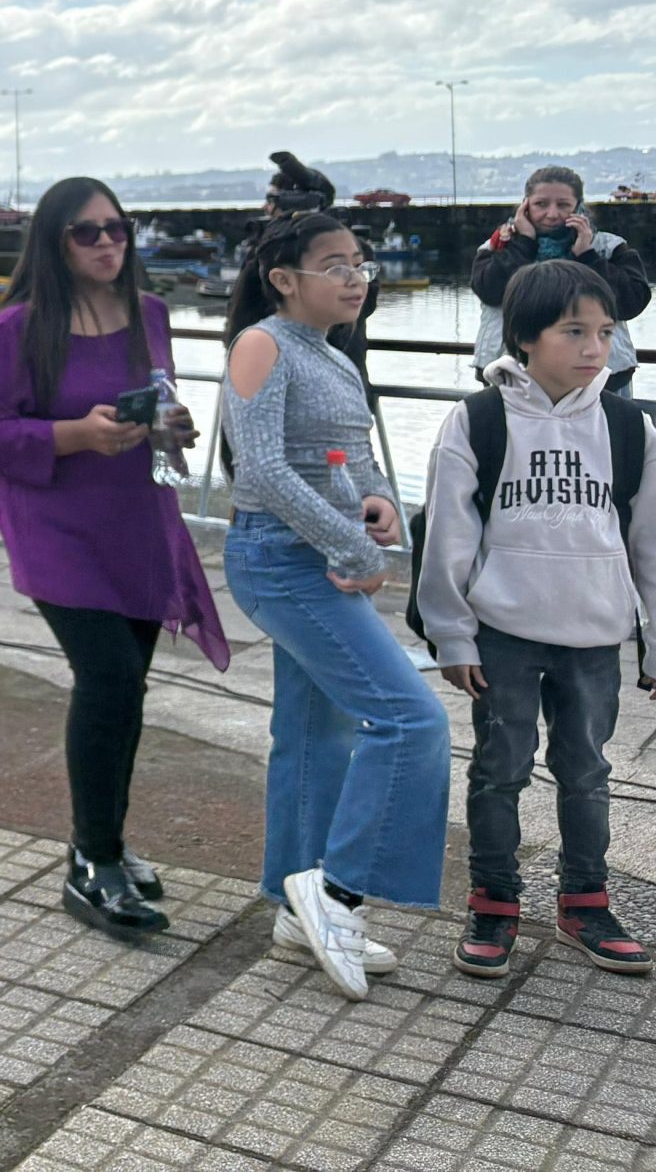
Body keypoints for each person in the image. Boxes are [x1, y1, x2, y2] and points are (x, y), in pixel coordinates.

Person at [0, 178, 226, 940]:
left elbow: (157, 396)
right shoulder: (18, 329)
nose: (109, 242)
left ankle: (104, 841)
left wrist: (169, 425)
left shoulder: (150, 312)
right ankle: (92, 861)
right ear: (56, 242)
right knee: (108, 678)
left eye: (118, 228)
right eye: (89, 232)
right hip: (57, 530)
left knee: (126, 688)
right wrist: (76, 434)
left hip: (137, 522)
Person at [220, 211, 449, 1002]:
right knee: (412, 720)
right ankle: (339, 890)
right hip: (281, 562)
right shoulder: (263, 344)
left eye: (361, 263)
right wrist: (355, 549)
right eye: (337, 265)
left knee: (316, 734)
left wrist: (378, 500)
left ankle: (296, 906)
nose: (356, 278)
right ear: (285, 279)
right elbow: (263, 471)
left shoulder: (335, 355)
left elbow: (355, 455)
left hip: (317, 560)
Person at [419, 260, 656, 978]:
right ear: (524, 336)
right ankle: (493, 903)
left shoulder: (630, 427)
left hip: (594, 635)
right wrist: (452, 635)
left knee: (587, 772)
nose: (594, 347)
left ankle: (585, 902)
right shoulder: (479, 419)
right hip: (504, 633)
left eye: (605, 332)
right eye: (573, 331)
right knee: (501, 770)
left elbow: (648, 544)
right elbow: (448, 539)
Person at [472, 166, 648, 394]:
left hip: (601, 378)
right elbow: (490, 291)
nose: (552, 214)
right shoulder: (497, 247)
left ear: (579, 207)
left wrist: (587, 256)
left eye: (563, 205)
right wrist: (523, 244)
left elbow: (630, 303)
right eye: (541, 204)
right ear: (525, 206)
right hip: (512, 375)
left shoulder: (608, 248)